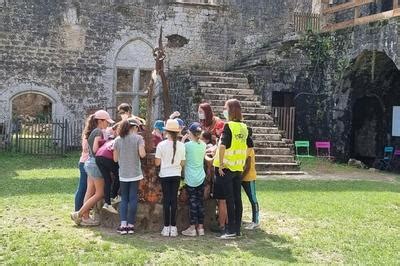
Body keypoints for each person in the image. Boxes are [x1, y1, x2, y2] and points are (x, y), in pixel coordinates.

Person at [71, 110, 114, 226]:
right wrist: (107, 144)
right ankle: (79, 214)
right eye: (106, 122)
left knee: (89, 191)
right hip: (95, 163)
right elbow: (95, 149)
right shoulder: (98, 131)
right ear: (100, 121)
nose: (107, 124)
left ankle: (85, 217)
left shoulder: (92, 131)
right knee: (100, 193)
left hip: (89, 162)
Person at [214, 99, 249, 239]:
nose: (224, 110)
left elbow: (222, 146)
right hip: (238, 168)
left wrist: (221, 164)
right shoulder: (244, 127)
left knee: (229, 199)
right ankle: (237, 229)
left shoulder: (229, 126)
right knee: (237, 199)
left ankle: (230, 230)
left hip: (227, 168)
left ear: (231, 110)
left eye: (225, 108)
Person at [113, 118, 146, 235]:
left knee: (124, 199)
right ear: (134, 128)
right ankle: (131, 225)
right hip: (135, 173)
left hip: (123, 173)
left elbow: (115, 159)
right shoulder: (138, 138)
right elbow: (142, 154)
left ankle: (123, 225)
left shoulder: (117, 140)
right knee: (133, 198)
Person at [155, 119, 186, 237]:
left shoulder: (161, 145)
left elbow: (157, 163)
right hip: (176, 174)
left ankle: (166, 226)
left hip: (165, 175)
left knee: (166, 201)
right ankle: (173, 227)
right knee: (174, 200)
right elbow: (183, 163)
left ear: (166, 131)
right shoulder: (182, 146)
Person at [181, 122, 207, 237]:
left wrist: (183, 140)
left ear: (190, 133)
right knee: (200, 203)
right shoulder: (203, 145)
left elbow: (181, 153)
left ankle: (192, 228)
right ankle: (201, 228)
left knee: (192, 203)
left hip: (191, 178)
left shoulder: (187, 145)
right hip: (201, 177)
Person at [95, 125, 120, 214]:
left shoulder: (110, 139)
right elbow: (115, 157)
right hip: (107, 158)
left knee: (108, 180)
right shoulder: (119, 140)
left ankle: (107, 203)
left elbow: (101, 143)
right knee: (119, 174)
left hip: (98, 157)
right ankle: (113, 196)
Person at [241, 128, 260, 230]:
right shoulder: (242, 146)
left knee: (253, 199)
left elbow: (247, 167)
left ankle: (255, 221)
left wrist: (241, 178)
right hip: (241, 176)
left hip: (248, 177)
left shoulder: (250, 148)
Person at [74, 116, 92, 211]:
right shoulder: (88, 135)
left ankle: (80, 209)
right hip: (85, 162)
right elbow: (86, 149)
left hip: (83, 162)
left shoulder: (87, 133)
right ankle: (78, 210)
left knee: (83, 187)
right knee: (83, 187)